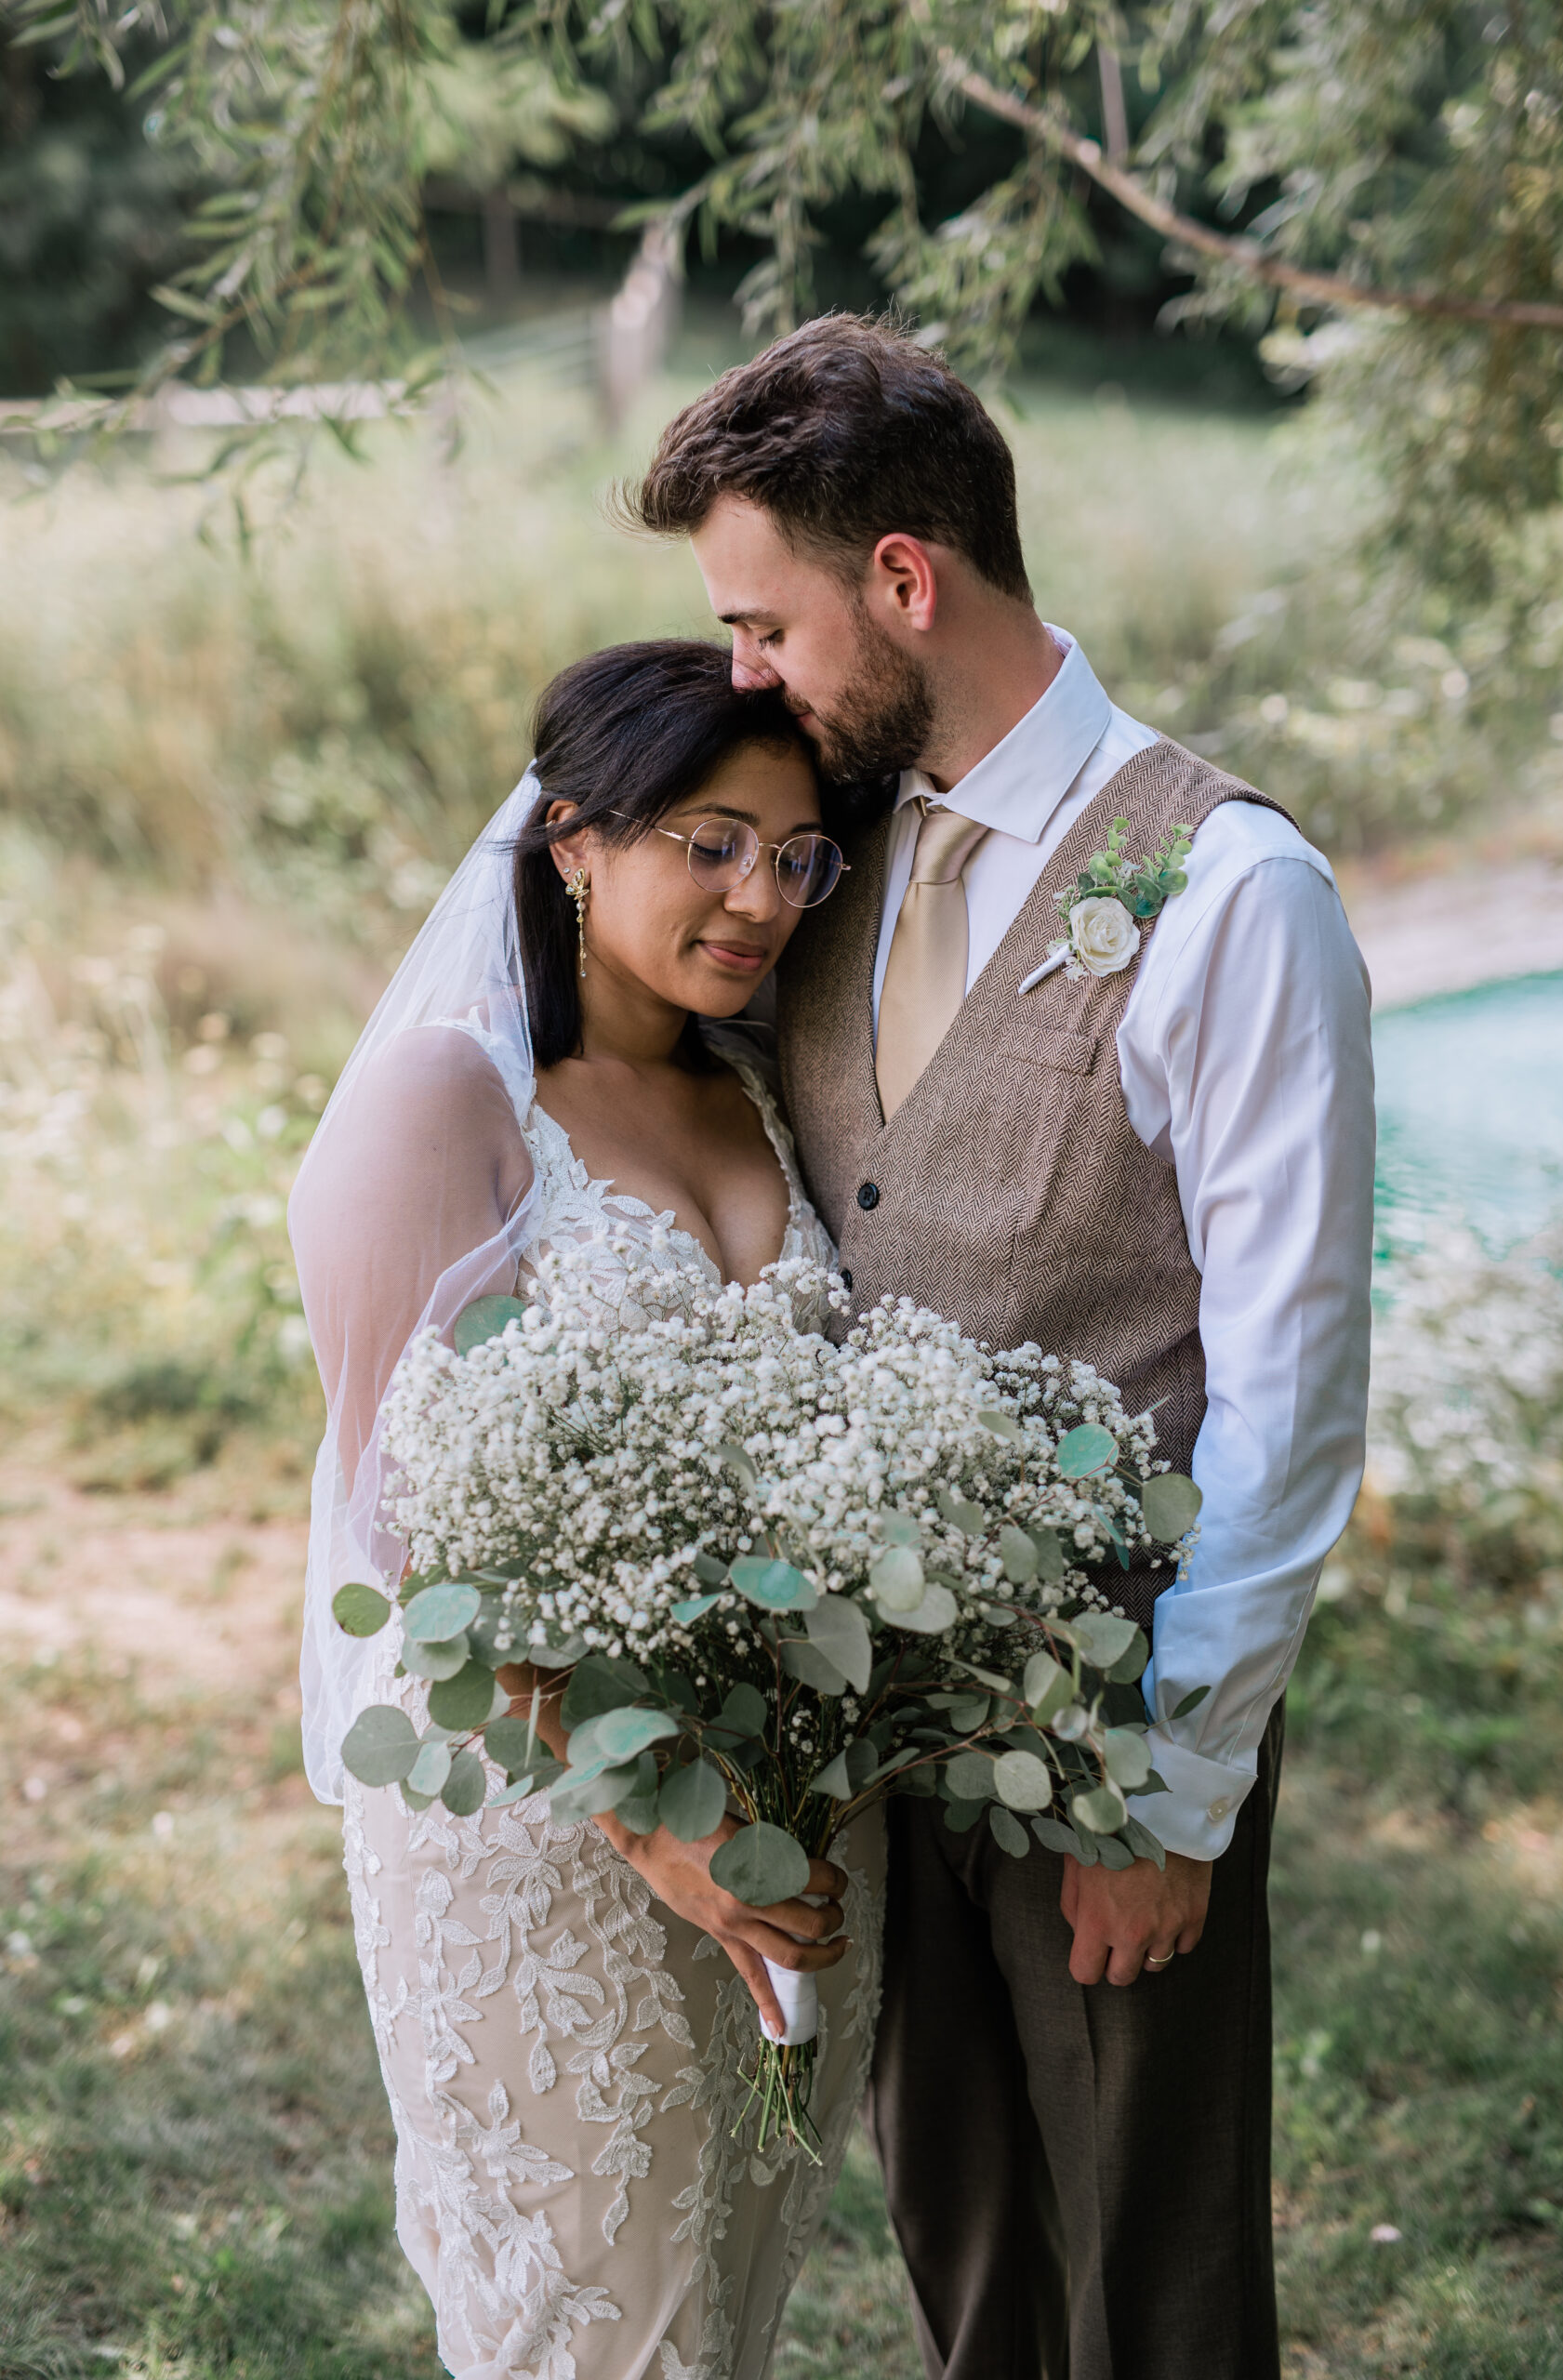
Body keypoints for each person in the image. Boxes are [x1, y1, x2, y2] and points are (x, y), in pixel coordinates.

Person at [624, 317, 1376, 2380]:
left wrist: (1174, 1782)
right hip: (877, 1726)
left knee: (1154, 2269)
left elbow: (1295, 1386)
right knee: (964, 2241)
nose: (742, 675)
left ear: (903, 581)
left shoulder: (1231, 891)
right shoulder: (824, 849)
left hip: (1111, 1711)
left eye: (760, 622)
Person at [290, 641, 883, 2380]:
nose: (759, 895)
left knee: (726, 2309)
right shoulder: (442, 1104)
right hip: (537, 1825)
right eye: (711, 840)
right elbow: (408, 1531)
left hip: (774, 1808)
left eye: (795, 855)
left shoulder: (762, 1096)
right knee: (594, 2331)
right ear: (570, 840)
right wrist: (648, 1819)